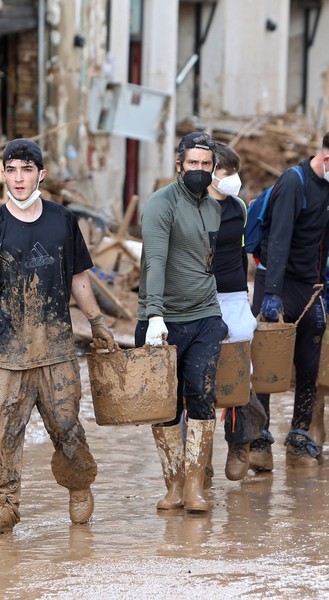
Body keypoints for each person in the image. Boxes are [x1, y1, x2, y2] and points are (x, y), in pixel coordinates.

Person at [0, 138, 114, 535]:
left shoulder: (62, 220)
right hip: (6, 355)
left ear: (41, 174)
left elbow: (78, 279)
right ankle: (1, 506)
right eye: (11, 170)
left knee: (67, 427)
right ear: (3, 175)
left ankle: (79, 485)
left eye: (26, 170)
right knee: (0, 435)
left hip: (56, 350)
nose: (19, 178)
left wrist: (96, 322)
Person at [137, 132, 228, 514]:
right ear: (179, 166)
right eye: (193, 164)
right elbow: (154, 260)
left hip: (206, 314)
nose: (199, 170)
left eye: (206, 165)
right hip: (164, 318)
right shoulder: (161, 204)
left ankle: (195, 485)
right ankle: (173, 483)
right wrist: (154, 313)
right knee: (166, 406)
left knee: (202, 393)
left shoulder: (214, 207)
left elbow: (208, 261)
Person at [250, 131, 329, 469]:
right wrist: (270, 295)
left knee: (309, 367)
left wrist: (325, 285)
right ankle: (257, 440)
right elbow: (279, 238)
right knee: (266, 367)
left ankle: (298, 436)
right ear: (327, 159)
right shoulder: (294, 183)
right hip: (276, 281)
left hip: (310, 287)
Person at [209, 143, 266, 480]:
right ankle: (199, 458)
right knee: (194, 376)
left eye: (233, 172)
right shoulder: (193, 208)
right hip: (198, 298)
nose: (231, 179)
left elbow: (244, 253)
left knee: (240, 372)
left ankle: (240, 442)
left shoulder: (239, 208)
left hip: (234, 297)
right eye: (224, 172)